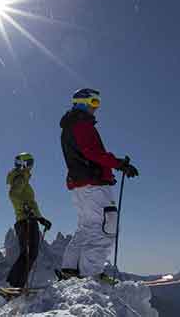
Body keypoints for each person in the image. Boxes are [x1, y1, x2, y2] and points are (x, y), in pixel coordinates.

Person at [57, 88, 139, 284]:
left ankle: (70, 269)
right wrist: (119, 163)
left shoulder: (70, 126)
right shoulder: (81, 124)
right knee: (105, 228)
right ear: (81, 102)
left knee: (86, 227)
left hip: (81, 184)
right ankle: (91, 275)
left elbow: (87, 153)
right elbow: (91, 152)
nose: (97, 108)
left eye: (98, 104)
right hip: (92, 183)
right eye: (94, 103)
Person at [6, 152, 52, 290]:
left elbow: (29, 201)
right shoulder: (20, 177)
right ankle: (15, 284)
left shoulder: (23, 178)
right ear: (24, 164)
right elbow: (14, 194)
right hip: (26, 220)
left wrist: (40, 218)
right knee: (29, 253)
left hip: (28, 219)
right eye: (30, 163)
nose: (32, 167)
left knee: (29, 253)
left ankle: (17, 283)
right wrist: (25, 208)